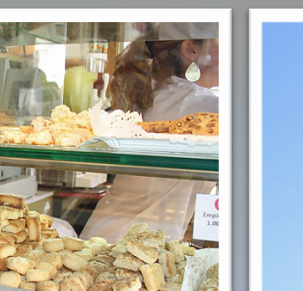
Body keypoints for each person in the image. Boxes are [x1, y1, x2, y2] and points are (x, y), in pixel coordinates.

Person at [80, 23, 220, 244]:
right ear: (190, 49)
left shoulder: (154, 94)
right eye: (218, 43)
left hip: (103, 237)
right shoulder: (204, 104)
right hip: (136, 250)